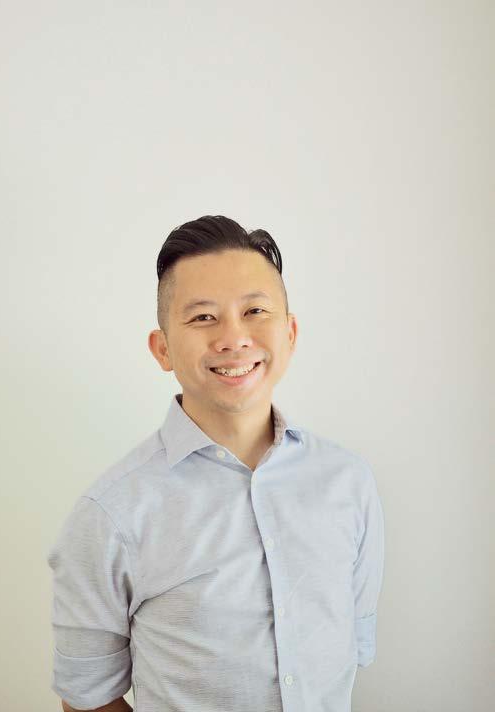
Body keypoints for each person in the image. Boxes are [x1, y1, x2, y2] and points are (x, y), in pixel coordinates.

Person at [47, 215, 385, 712]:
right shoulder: (110, 514)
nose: (234, 337)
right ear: (163, 348)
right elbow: (88, 697)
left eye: (255, 310)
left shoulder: (348, 482)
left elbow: (349, 650)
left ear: (290, 333)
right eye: (203, 317)